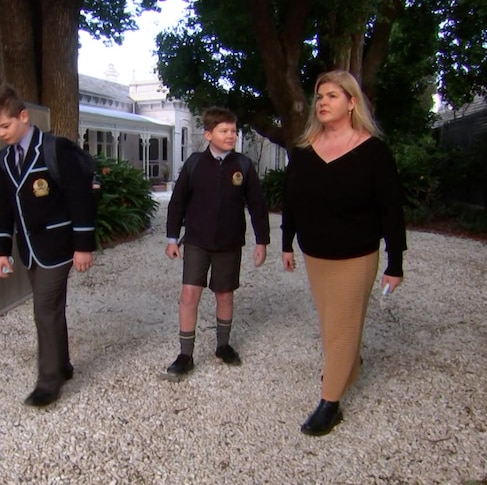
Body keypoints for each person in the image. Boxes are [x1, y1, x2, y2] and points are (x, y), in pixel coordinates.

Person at [281, 70, 407, 436]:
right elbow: (292, 201)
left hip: (356, 255)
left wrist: (394, 262)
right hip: (315, 255)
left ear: (352, 103)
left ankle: (330, 403)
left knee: (340, 326)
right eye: (319, 96)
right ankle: (349, 366)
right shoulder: (304, 151)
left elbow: (391, 210)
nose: (322, 102)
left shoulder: (374, 152)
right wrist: (287, 242)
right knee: (331, 321)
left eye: (332, 96)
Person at [0, 84, 96, 408]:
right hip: (28, 248)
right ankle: (62, 365)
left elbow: (80, 197)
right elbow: (3, 205)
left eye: (6, 125)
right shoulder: (5, 158)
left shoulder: (55, 149)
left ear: (23, 116)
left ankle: (48, 382)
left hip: (59, 245)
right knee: (52, 309)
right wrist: (0, 249)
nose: (1, 133)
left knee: (44, 310)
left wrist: (83, 245)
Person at [164, 107, 271, 378]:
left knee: (224, 294)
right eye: (224, 131)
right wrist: (172, 237)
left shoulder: (243, 165)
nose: (231, 135)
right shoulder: (194, 163)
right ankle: (185, 354)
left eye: (234, 131)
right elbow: (177, 203)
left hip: (229, 243)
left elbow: (257, 205)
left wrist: (262, 241)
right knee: (189, 294)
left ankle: (223, 346)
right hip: (197, 241)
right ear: (209, 134)